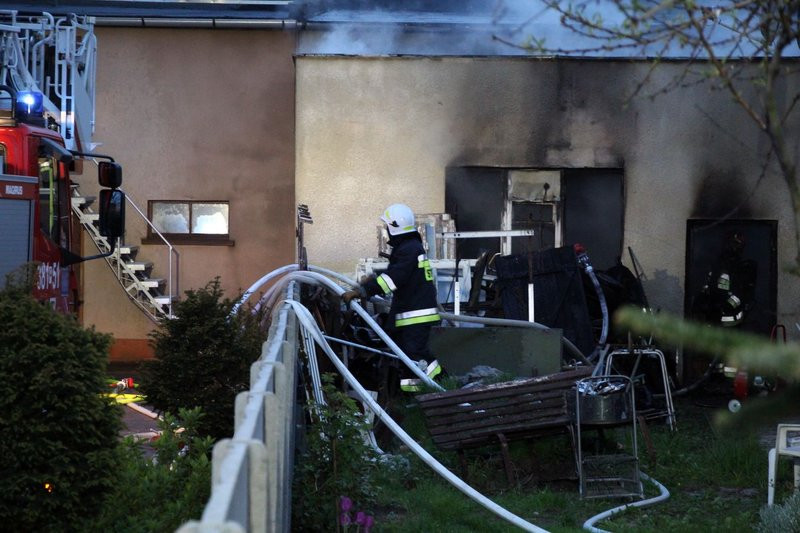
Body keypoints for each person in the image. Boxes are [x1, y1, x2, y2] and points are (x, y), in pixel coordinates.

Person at [342, 203, 441, 390]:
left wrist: (361, 292)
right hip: (412, 312)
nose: (386, 229)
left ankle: (439, 386)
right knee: (407, 357)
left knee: (415, 355)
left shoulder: (409, 249)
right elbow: (399, 275)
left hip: (416, 314)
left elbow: (392, 279)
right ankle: (413, 398)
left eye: (388, 225)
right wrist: (370, 282)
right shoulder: (410, 247)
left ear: (395, 226)